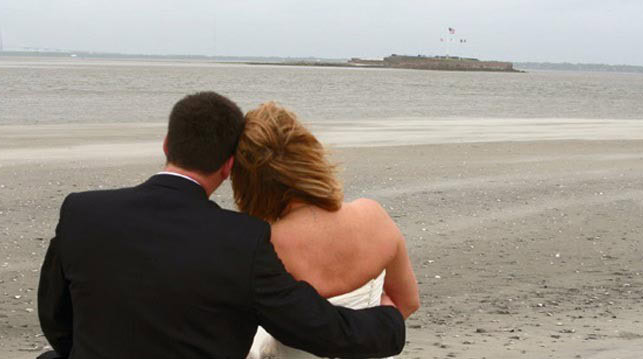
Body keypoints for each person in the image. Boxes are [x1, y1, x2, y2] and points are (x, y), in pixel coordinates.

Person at [37, 92, 406, 359]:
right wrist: (390, 322)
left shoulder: (81, 211)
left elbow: (54, 317)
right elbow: (322, 330)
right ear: (229, 167)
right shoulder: (243, 241)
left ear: (166, 144)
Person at [231, 102, 420, 358]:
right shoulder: (373, 216)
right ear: (311, 155)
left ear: (247, 181)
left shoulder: (264, 246)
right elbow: (407, 303)